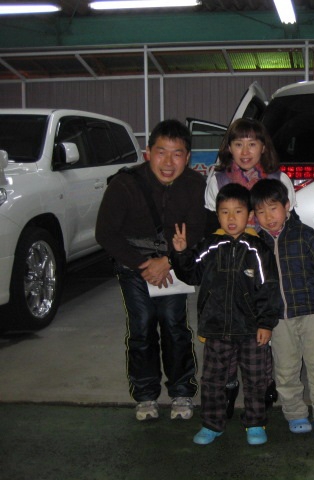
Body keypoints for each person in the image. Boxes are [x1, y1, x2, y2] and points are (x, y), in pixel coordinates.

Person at [96, 119, 210, 422]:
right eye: (161, 152)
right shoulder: (125, 184)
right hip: (134, 266)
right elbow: (105, 233)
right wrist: (142, 265)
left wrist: (168, 261)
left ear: (188, 157)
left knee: (174, 324)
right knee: (142, 325)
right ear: (148, 152)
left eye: (177, 154)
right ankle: (145, 395)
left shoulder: (195, 185)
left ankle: (182, 391)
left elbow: (198, 230)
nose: (168, 162)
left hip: (173, 264)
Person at [170, 183, 279, 446]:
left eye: (238, 211)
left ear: (249, 216)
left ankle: (255, 422)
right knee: (212, 381)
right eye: (225, 212)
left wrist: (266, 323)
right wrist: (181, 253)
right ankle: (212, 424)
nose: (231, 218)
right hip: (216, 328)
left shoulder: (258, 249)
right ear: (217, 215)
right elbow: (191, 274)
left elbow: (269, 288)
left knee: (256, 379)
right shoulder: (209, 246)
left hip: (251, 331)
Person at [204, 117, 294, 415]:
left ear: (263, 147)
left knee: (261, 333)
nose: (245, 151)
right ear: (228, 147)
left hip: (265, 267)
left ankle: (263, 385)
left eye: (252, 144)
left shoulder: (279, 179)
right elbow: (211, 228)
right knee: (227, 334)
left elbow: (287, 223)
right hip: (228, 272)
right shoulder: (217, 180)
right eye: (238, 144)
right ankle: (229, 387)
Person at [250, 178, 314, 439]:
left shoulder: (304, 234)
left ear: (287, 206)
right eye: (261, 212)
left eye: (273, 208)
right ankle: (295, 413)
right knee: (285, 369)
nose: (269, 217)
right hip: (279, 318)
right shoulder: (255, 243)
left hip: (313, 312)